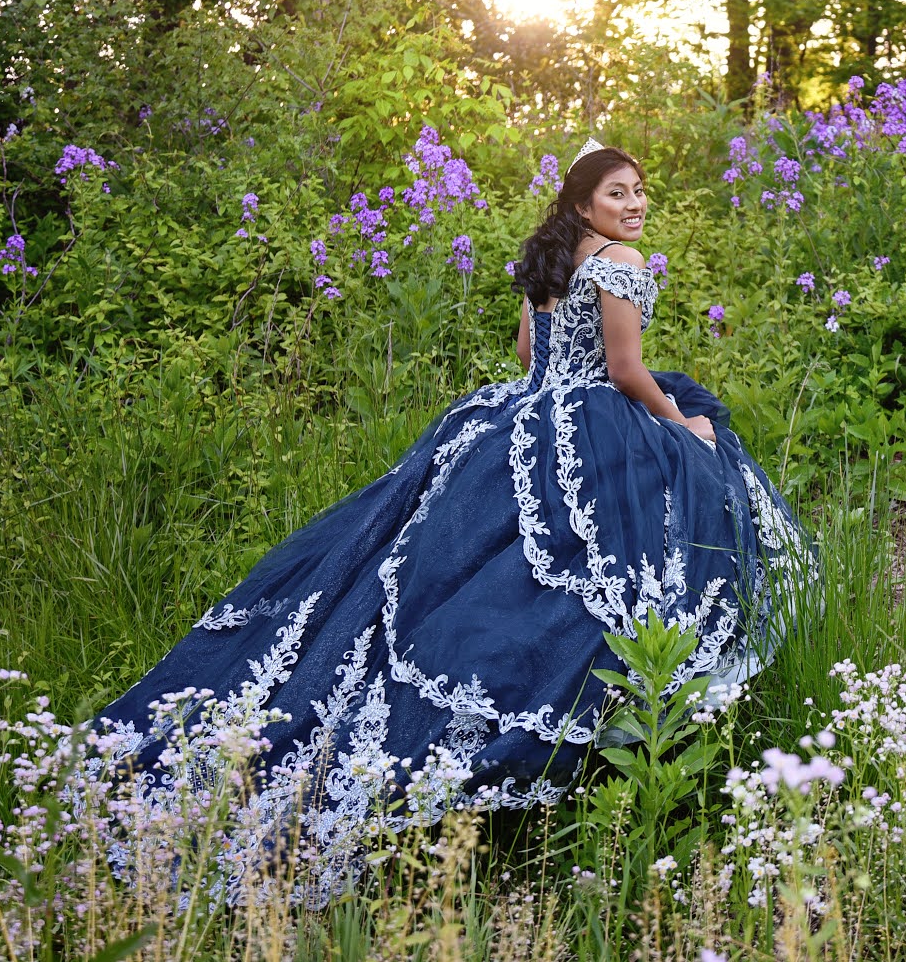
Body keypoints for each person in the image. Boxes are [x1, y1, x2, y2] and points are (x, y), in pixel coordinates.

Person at [96, 140, 811, 897]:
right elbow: (627, 371)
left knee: (441, 559)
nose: (634, 205)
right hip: (595, 419)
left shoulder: (549, 258)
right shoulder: (623, 263)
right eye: (617, 193)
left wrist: (567, 393)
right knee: (664, 510)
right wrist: (680, 424)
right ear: (582, 204)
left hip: (521, 413)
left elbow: (529, 354)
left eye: (638, 190)